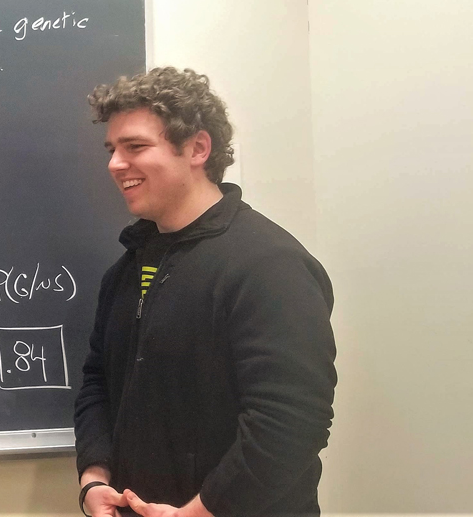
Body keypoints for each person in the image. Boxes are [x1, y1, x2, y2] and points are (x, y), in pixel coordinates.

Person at [74, 67, 336, 517]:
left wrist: (200, 511)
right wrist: (94, 479)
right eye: (112, 149)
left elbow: (291, 421)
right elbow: (98, 382)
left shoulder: (269, 265)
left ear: (197, 148)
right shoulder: (126, 269)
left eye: (135, 146)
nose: (115, 164)